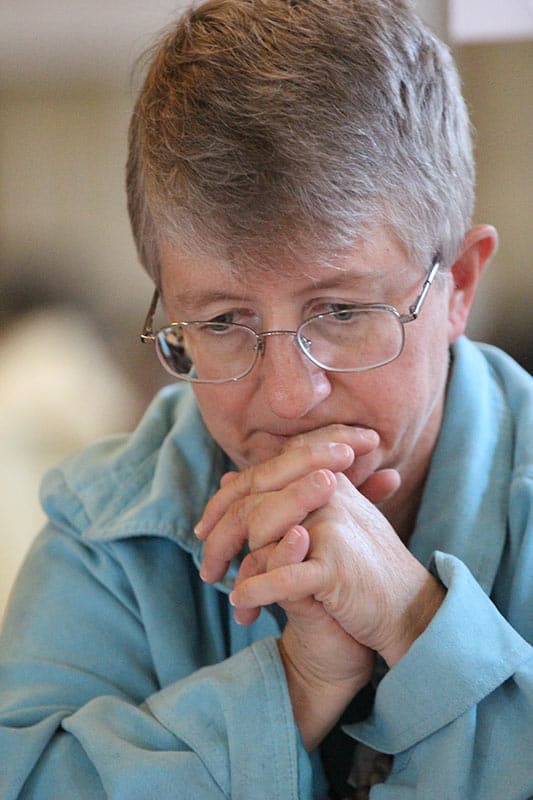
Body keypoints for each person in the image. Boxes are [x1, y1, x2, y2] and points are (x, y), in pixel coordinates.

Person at [0, 0, 531, 797]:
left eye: (342, 312)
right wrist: (296, 680)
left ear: (456, 284)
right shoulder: (107, 532)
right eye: (221, 322)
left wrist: (416, 625)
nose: (286, 399)